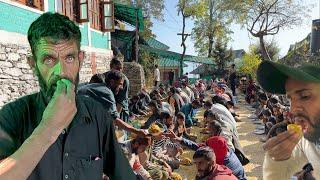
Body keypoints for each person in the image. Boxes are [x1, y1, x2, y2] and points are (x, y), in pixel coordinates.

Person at [0, 12, 135, 179]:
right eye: (49, 60)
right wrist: (47, 130)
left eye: (69, 58)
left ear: (80, 59)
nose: (61, 72)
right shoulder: (11, 117)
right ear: (33, 64)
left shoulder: (98, 116)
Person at [257, 60, 320, 179]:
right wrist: (277, 160)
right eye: (290, 99)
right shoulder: (306, 141)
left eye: (305, 96)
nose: (293, 109)